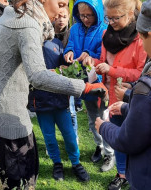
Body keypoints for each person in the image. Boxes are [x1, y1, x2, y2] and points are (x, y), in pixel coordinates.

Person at [0, 0, 108, 189]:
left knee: (0, 179)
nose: (63, 11)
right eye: (61, 4)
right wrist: (84, 87)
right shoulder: (27, 24)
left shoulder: (13, 12)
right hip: (7, 114)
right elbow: (38, 76)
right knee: (22, 180)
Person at [84, 0, 147, 189]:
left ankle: (135, 175)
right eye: (108, 18)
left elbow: (141, 72)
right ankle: (121, 174)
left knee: (134, 141)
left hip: (133, 99)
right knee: (118, 139)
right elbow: (103, 62)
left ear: (129, 14)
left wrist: (113, 70)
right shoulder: (106, 35)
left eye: (115, 18)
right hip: (111, 98)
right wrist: (91, 61)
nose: (110, 22)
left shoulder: (140, 40)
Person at [28, 37, 89, 182]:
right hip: (41, 102)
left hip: (61, 101)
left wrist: (69, 66)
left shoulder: (55, 42)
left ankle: (76, 163)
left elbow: (66, 66)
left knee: (70, 135)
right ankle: (57, 164)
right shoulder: (29, 42)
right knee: (49, 137)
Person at [64, 0, 115, 171]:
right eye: (81, 15)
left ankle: (109, 153)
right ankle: (99, 146)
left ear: (98, 12)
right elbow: (70, 44)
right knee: (93, 118)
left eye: (89, 15)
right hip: (82, 82)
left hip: (99, 83)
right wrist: (69, 52)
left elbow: (104, 54)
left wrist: (90, 55)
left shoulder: (104, 31)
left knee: (104, 118)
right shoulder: (75, 29)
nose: (85, 19)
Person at [54, 6, 79, 142]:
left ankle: (74, 137)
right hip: (52, 74)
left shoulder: (71, 33)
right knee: (54, 108)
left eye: (64, 17)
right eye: (58, 16)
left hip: (67, 74)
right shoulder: (48, 32)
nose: (61, 20)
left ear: (69, 17)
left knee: (71, 109)